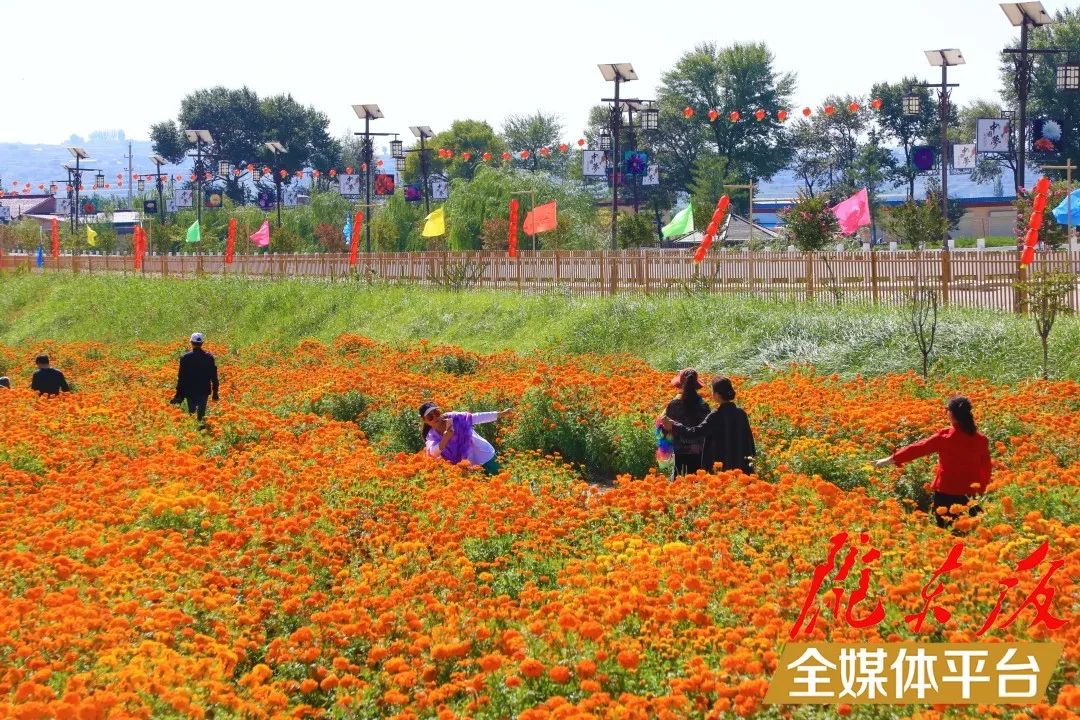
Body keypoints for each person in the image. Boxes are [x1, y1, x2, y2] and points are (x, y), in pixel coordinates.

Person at [874, 395, 991, 528]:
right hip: (970, 494)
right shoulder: (981, 439)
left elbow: (917, 449)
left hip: (946, 493)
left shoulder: (945, 437)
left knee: (946, 533)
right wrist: (982, 489)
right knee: (972, 534)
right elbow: (986, 467)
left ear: (951, 414)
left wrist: (890, 459)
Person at [662, 377, 755, 475]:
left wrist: (674, 425)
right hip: (741, 466)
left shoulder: (716, 415)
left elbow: (695, 433)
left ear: (717, 395)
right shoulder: (741, 413)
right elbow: (750, 441)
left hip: (720, 467)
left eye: (713, 392)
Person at [419, 402, 511, 475]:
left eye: (436, 413)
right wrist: (446, 438)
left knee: (503, 479)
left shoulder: (454, 418)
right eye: (430, 417)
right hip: (468, 466)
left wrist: (500, 414)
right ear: (424, 420)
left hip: (484, 455)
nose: (435, 417)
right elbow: (433, 452)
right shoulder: (432, 435)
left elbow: (476, 417)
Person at [664, 369, 710, 477]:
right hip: (699, 452)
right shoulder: (703, 405)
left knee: (679, 482)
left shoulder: (674, 404)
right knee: (697, 482)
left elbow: (667, 427)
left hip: (680, 451)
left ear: (680, 384)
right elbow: (708, 429)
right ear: (696, 385)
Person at [171, 332, 219, 422]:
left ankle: (194, 431)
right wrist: (215, 392)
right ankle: (201, 429)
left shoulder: (185, 358)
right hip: (204, 390)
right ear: (202, 343)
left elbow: (181, 377)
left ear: (191, 342)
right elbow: (214, 376)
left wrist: (178, 393)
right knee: (201, 414)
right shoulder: (209, 358)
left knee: (192, 413)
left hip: (190, 390)